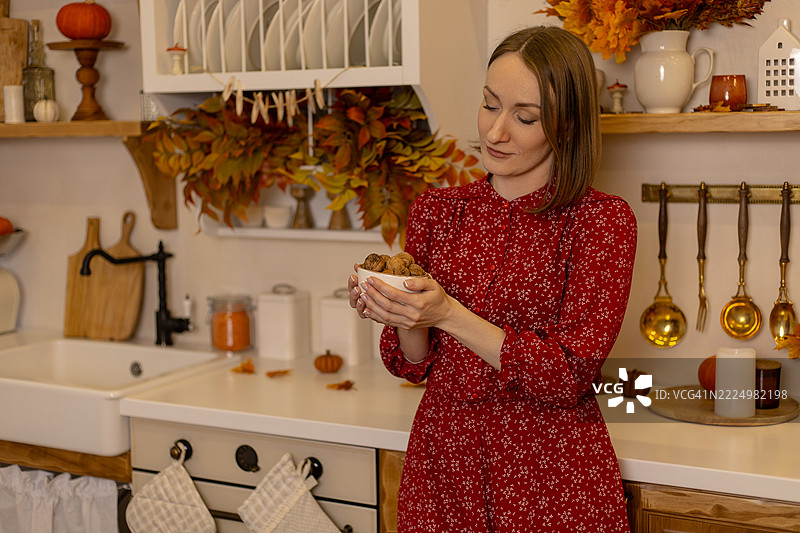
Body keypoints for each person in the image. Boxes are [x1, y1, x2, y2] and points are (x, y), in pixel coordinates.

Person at [348, 25, 636, 532]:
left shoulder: (600, 222)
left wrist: (447, 313)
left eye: (525, 117)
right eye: (489, 104)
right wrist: (404, 310)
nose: (495, 132)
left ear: (566, 127)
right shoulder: (440, 211)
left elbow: (569, 375)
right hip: (445, 462)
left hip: (547, 472)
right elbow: (414, 364)